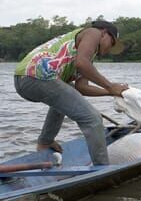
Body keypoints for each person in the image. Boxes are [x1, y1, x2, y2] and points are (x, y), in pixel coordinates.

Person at [14, 20, 128, 165]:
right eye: (111, 44)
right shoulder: (93, 32)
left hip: (23, 79)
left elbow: (82, 87)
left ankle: (45, 142)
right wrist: (111, 86)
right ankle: (103, 168)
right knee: (93, 119)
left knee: (68, 91)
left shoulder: (86, 55)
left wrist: (111, 92)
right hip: (36, 75)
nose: (108, 50)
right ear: (104, 33)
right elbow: (82, 64)